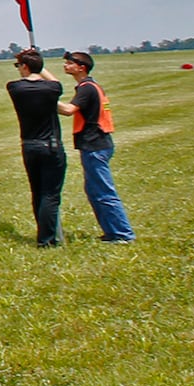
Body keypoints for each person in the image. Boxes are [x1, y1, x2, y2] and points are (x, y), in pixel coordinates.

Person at [56, 51, 135, 243]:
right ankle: (112, 232)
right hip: (96, 145)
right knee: (94, 191)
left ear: (81, 67)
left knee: (103, 191)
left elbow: (68, 111)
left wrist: (44, 97)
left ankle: (123, 234)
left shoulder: (86, 88)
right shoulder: (89, 85)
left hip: (95, 146)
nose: (65, 66)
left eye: (69, 63)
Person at [5, 47, 66, 247]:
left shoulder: (14, 88)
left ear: (24, 67)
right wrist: (40, 63)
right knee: (51, 195)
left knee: (38, 192)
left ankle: (44, 233)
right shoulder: (53, 89)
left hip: (29, 146)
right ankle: (47, 240)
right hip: (51, 145)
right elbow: (54, 82)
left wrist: (31, 60)